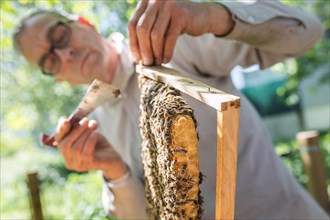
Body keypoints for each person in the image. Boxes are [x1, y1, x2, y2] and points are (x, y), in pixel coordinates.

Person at [13, 0, 329, 219]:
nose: (66, 53)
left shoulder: (175, 41)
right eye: (51, 61)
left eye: (60, 35)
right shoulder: (95, 128)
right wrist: (113, 169)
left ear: (84, 23)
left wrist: (209, 16)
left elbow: (307, 33)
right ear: (59, 79)